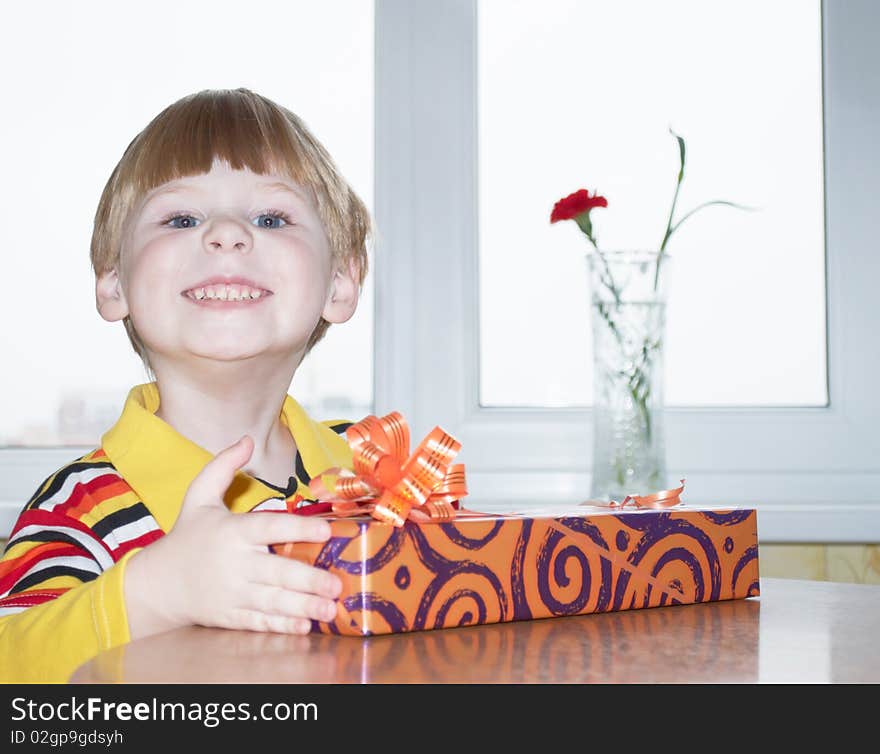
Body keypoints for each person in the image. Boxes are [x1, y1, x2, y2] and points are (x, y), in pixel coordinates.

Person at [0, 88, 371, 683]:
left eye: (271, 218)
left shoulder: (376, 471)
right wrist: (155, 593)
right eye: (181, 218)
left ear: (342, 282)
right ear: (113, 283)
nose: (226, 234)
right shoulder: (77, 508)